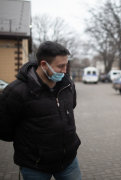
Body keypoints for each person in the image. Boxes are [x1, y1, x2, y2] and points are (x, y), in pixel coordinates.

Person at [0, 41, 81, 180]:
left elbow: (70, 108)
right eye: (60, 66)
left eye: (65, 65)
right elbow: (4, 129)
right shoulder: (16, 91)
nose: (64, 70)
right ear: (44, 64)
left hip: (68, 162)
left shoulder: (68, 85)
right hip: (34, 166)